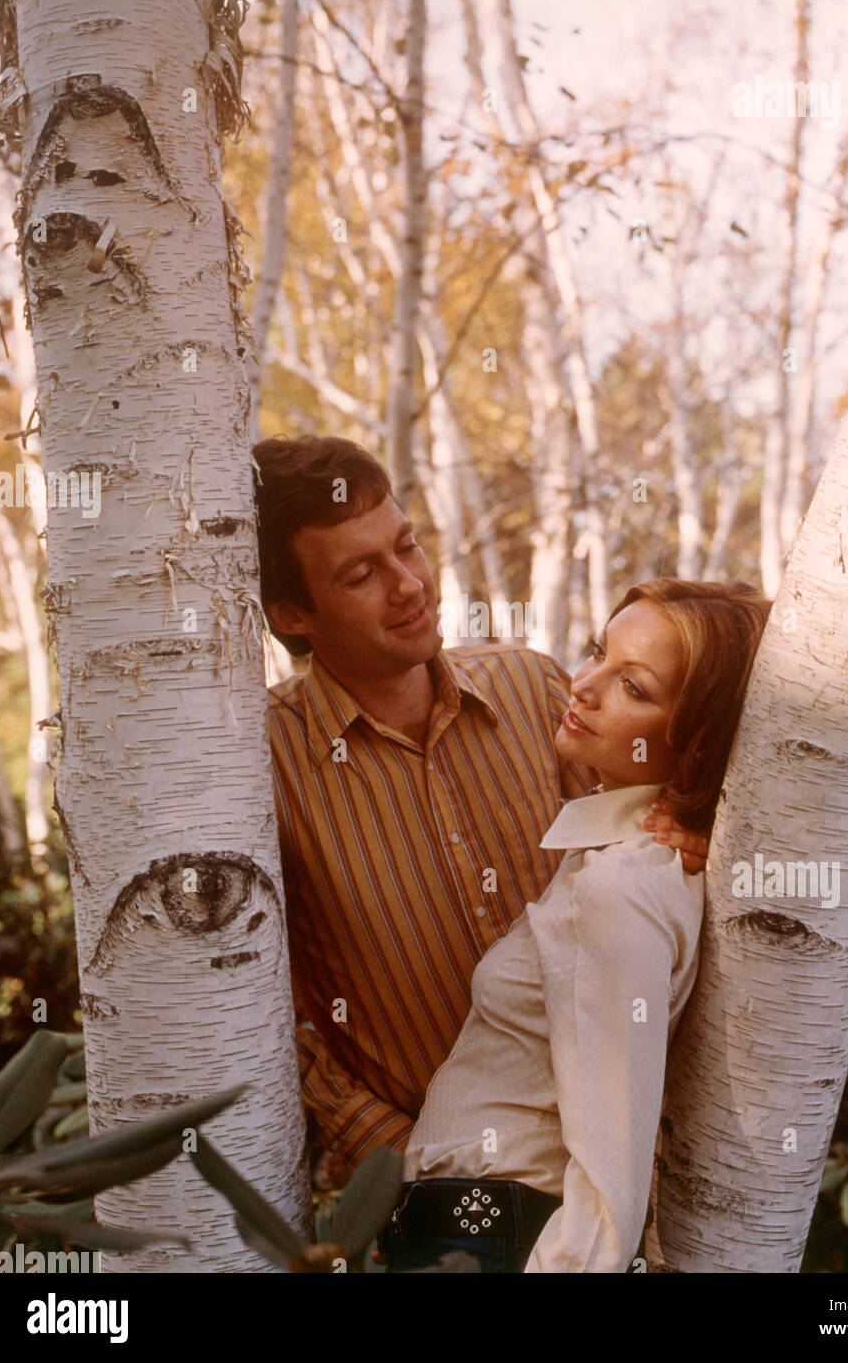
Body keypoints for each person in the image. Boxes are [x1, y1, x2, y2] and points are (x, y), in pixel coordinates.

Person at [254, 434, 711, 1197]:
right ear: (292, 611)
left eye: (407, 547)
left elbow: (642, 823)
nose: (408, 586)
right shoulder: (260, 766)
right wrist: (403, 1158)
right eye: (362, 574)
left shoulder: (532, 687)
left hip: (633, 1167)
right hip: (423, 1195)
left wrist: (693, 824)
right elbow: (267, 1010)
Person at [384, 579, 771, 1273]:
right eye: (597, 653)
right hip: (469, 1229)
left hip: (490, 1235)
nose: (583, 686)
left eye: (635, 688)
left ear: (699, 741)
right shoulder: (622, 861)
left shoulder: (620, 887)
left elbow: (606, 1186)